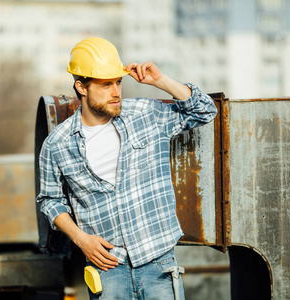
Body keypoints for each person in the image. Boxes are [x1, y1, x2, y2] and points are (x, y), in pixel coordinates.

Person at [36, 37, 218, 299]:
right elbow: (50, 200)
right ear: (81, 87)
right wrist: (80, 239)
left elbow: (204, 110)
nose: (116, 92)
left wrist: (160, 81)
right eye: (105, 84)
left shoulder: (145, 114)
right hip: (107, 270)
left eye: (118, 82)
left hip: (159, 266)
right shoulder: (57, 144)